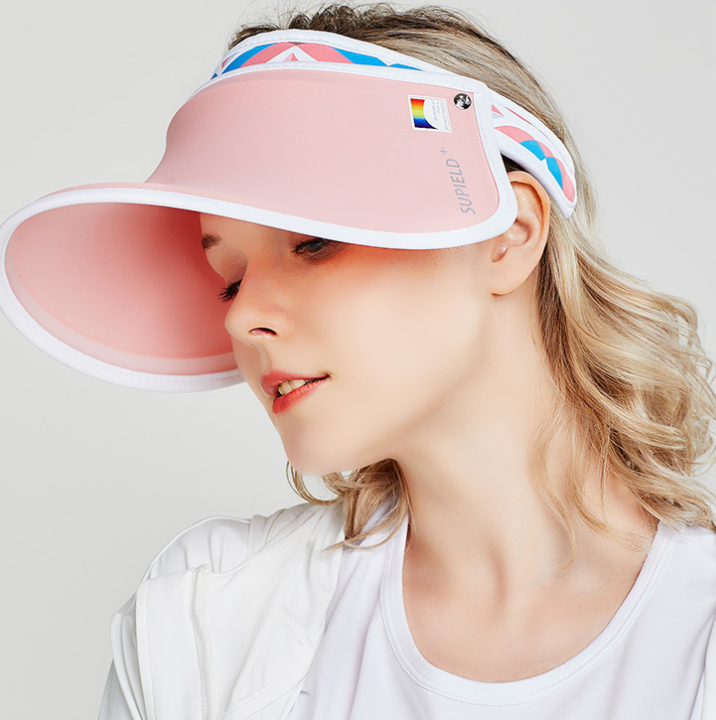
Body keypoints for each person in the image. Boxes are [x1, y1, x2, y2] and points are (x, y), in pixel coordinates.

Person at [1, 3, 715, 719]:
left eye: (312, 242)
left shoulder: (698, 636)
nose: (241, 318)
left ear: (506, 233)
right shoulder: (205, 620)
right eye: (229, 279)